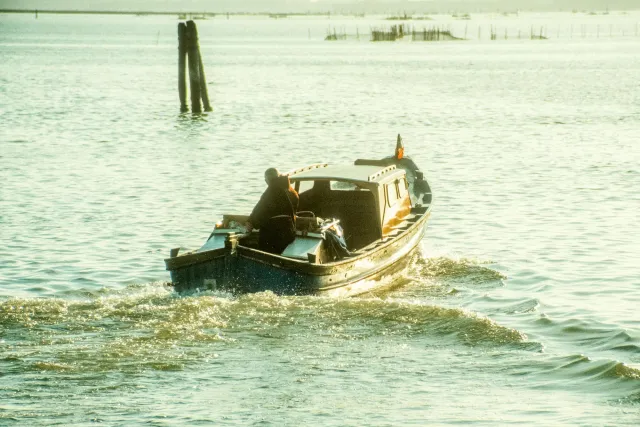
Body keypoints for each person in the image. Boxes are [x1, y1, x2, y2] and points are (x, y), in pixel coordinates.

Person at [246, 168, 299, 254]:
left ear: (267, 180)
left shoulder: (271, 191)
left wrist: (250, 222)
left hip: (273, 235)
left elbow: (260, 209)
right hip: (289, 233)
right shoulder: (292, 191)